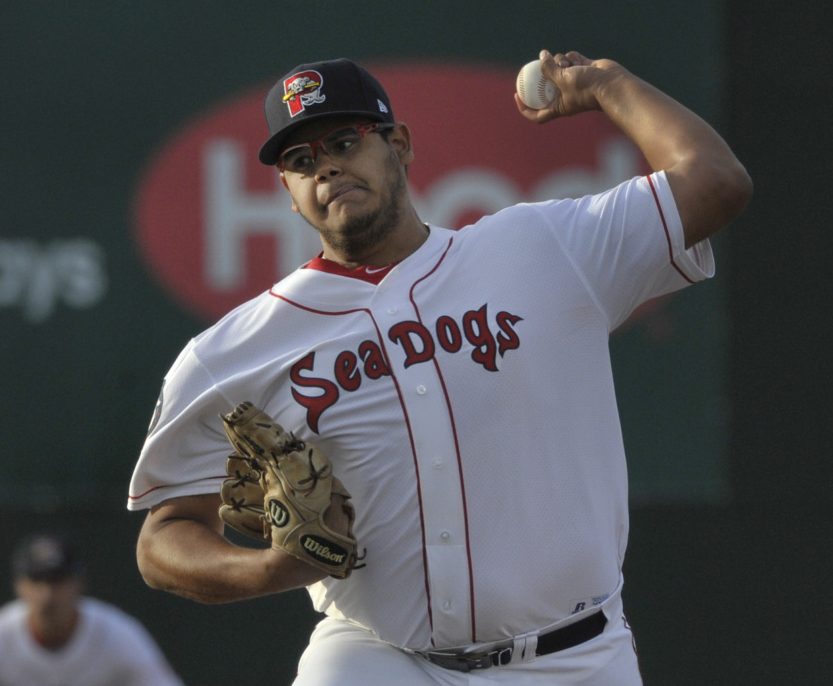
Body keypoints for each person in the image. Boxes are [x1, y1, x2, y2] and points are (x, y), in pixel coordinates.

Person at [127, 50, 752, 685]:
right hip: (379, 657)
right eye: (300, 160)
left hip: (575, 658)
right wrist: (264, 572)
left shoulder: (545, 250)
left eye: (344, 140)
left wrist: (609, 85)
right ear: (287, 193)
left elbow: (715, 181)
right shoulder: (233, 354)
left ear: (399, 144)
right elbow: (165, 537)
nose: (326, 167)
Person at [0, 533, 183, 686]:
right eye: (37, 581)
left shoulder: (116, 634)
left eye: (58, 581)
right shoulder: (3, 633)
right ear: (18, 586)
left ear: (78, 583)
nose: (47, 594)